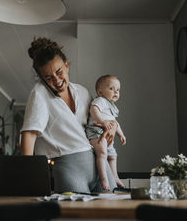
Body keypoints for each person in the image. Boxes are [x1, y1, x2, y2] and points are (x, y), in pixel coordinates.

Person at [20, 37, 117, 193]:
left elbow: (98, 118)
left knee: (113, 213)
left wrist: (112, 127)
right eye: (49, 78)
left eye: (59, 72)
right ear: (41, 78)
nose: (57, 80)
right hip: (69, 169)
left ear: (67, 65)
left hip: (101, 165)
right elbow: (29, 134)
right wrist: (28, 175)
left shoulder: (83, 92)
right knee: (77, 216)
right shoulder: (39, 93)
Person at [85, 75, 126, 190]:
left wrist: (121, 134)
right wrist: (102, 121)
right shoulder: (100, 100)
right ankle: (104, 179)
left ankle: (115, 176)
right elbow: (94, 110)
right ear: (100, 92)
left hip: (107, 134)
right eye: (111, 89)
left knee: (112, 156)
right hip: (96, 131)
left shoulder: (112, 107)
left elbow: (114, 122)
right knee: (102, 154)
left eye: (118, 90)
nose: (116, 92)